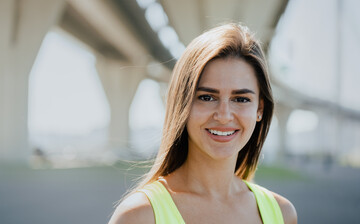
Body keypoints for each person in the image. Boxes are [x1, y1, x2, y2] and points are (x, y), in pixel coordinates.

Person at [108, 23, 297, 224]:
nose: (224, 116)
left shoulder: (282, 213)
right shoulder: (139, 216)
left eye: (241, 99)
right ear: (183, 104)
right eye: (207, 97)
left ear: (259, 109)